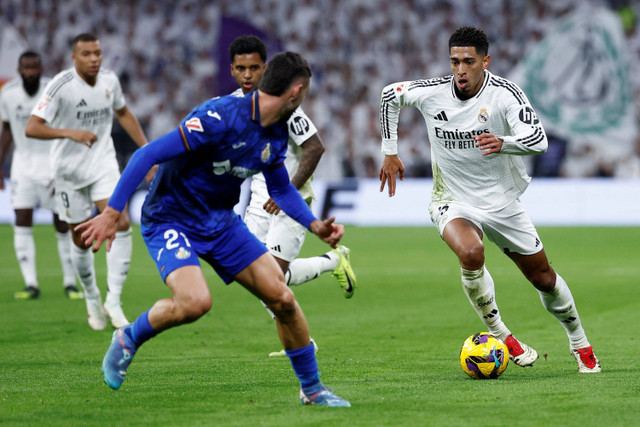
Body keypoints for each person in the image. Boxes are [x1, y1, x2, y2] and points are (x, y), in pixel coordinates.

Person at [77, 52, 351, 406]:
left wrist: (315, 225)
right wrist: (111, 213)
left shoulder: (277, 132)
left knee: (282, 298)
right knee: (195, 302)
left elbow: (281, 188)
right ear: (297, 91)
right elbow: (145, 155)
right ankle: (128, 337)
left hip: (220, 222)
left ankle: (312, 390)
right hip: (171, 217)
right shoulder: (218, 117)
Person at [378, 27, 600, 373]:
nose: (461, 70)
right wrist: (389, 152)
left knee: (543, 277)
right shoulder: (432, 93)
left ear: (486, 61)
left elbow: (538, 138)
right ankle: (502, 335)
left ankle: (579, 342)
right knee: (470, 252)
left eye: (468, 61)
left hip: (502, 203)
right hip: (452, 198)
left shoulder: (504, 94)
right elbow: (389, 95)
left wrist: (504, 142)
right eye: (454, 62)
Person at [228, 36, 356, 355]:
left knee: (272, 278)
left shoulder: (286, 107)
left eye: (254, 67)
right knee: (258, 278)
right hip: (257, 203)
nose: (248, 75)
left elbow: (315, 147)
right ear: (232, 70)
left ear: (265, 68)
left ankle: (300, 344)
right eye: (241, 68)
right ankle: (333, 262)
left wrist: (290, 188)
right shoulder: (233, 104)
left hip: (289, 202)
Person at [25, 33, 149, 330]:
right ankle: (91, 296)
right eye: (87, 54)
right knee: (80, 238)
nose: (94, 59)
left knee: (119, 221)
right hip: (68, 171)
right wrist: (70, 133)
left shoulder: (109, 81)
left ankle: (114, 301)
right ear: (74, 57)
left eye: (97, 53)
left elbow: (123, 112)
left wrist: (147, 151)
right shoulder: (61, 86)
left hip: (103, 164)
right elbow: (33, 127)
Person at [0, 51, 81, 300]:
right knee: (22, 220)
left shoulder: (53, 90)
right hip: (23, 167)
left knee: (62, 223)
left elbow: (67, 128)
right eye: (27, 68)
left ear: (41, 68)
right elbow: (8, 131)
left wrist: (65, 167)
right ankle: (31, 284)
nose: (31, 72)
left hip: (52, 166)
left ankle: (70, 283)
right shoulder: (8, 93)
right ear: (19, 69)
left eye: (35, 67)